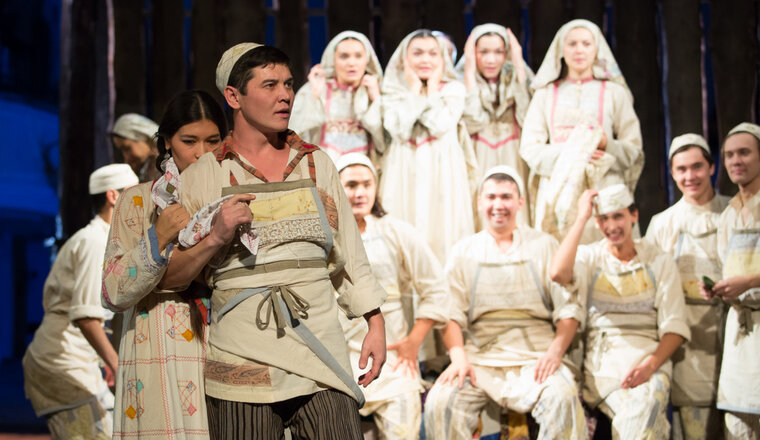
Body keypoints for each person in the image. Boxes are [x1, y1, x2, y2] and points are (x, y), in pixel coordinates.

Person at [174, 43, 387, 439]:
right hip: (242, 354)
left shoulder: (315, 163)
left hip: (318, 346)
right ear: (234, 96)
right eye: (269, 85)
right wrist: (216, 236)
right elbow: (175, 274)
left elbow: (348, 251)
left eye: (288, 84)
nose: (285, 95)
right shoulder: (205, 175)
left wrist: (374, 321)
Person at [102, 89, 232, 439]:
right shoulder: (136, 201)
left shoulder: (233, 196)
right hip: (154, 343)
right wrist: (157, 236)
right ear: (166, 143)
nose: (201, 153)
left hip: (224, 344)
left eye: (212, 141)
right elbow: (112, 291)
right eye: (189, 141)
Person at [423, 166, 587, 440]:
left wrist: (555, 353)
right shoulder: (464, 251)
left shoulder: (544, 245)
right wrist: (459, 357)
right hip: (481, 356)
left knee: (563, 398)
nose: (498, 205)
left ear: (520, 202)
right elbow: (449, 312)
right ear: (480, 202)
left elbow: (568, 307)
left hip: (536, 355)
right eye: (491, 197)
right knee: (441, 403)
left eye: (506, 197)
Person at [551, 184, 690, 438]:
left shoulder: (658, 260)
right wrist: (581, 218)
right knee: (638, 420)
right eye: (604, 219)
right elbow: (558, 273)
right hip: (605, 368)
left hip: (650, 362)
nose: (612, 226)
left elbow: (675, 326)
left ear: (634, 215)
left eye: (618, 216)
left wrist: (650, 366)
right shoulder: (591, 257)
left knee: (646, 407)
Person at [336, 153, 449, 439]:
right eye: (351, 185)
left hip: (395, 366)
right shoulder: (328, 237)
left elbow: (436, 288)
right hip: (340, 364)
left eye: (367, 184)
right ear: (336, 188)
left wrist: (413, 342)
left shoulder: (397, 232)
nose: (360, 193)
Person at [23, 163, 138, 439]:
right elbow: (86, 317)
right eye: (135, 194)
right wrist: (116, 365)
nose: (142, 203)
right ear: (113, 196)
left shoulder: (105, 239)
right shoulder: (95, 242)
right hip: (62, 362)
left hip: (77, 360)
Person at [520, 19, 643, 243]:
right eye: (572, 44)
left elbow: (633, 149)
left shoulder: (614, 93)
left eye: (586, 44)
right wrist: (575, 153)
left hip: (603, 188)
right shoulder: (545, 94)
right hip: (558, 187)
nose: (579, 50)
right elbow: (529, 148)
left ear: (597, 49)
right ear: (560, 49)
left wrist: (606, 144)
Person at [645, 133, 729, 439]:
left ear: (711, 167)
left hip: (733, 332)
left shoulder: (733, 211)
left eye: (697, 166)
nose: (689, 176)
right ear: (672, 172)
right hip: (688, 346)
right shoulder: (662, 223)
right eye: (681, 169)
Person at [380, 29, 476, 263]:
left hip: (442, 169)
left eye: (433, 53)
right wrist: (414, 90)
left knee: (443, 225)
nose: (426, 60)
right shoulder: (393, 91)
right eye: (418, 53)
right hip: (404, 167)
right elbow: (399, 129)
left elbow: (439, 125)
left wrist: (432, 89)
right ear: (404, 58)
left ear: (442, 59)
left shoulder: (453, 90)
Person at [702, 122, 760, 438]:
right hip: (741, 331)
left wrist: (749, 282)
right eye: (729, 155)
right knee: (739, 425)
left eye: (744, 153)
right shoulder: (729, 214)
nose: (736, 160)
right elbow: (730, 271)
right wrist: (720, 288)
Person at [458, 23, 532, 225]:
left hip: (513, 155)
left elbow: (528, 119)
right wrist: (469, 74)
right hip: (477, 156)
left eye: (499, 52)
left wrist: (519, 65)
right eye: (483, 52)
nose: (491, 60)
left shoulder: (516, 84)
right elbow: (473, 122)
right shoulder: (458, 86)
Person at [289, 31, 385, 165]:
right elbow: (293, 134)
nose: (351, 63)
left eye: (358, 56)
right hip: (323, 168)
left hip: (364, 169)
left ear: (367, 60)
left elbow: (385, 143)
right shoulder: (316, 88)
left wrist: (376, 100)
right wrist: (314, 96)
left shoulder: (376, 91)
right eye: (344, 56)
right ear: (333, 59)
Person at [111, 113, 162, 182]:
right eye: (121, 151)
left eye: (127, 148)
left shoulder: (167, 166)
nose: (126, 158)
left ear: (145, 138)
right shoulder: (147, 166)